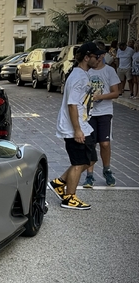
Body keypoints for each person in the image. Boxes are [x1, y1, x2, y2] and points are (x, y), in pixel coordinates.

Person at [49, 42, 105, 210]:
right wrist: (77, 130)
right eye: (96, 56)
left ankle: (59, 183)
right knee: (79, 162)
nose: (99, 59)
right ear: (86, 57)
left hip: (83, 124)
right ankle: (69, 198)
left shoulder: (82, 74)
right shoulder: (78, 77)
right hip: (75, 127)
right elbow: (72, 105)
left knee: (90, 160)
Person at [83, 41, 121, 188]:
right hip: (89, 113)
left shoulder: (109, 71)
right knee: (90, 143)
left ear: (103, 55)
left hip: (105, 112)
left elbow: (116, 92)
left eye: (99, 55)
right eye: (94, 55)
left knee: (105, 143)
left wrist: (99, 97)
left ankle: (107, 170)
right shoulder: (86, 71)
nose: (97, 58)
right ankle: (90, 175)